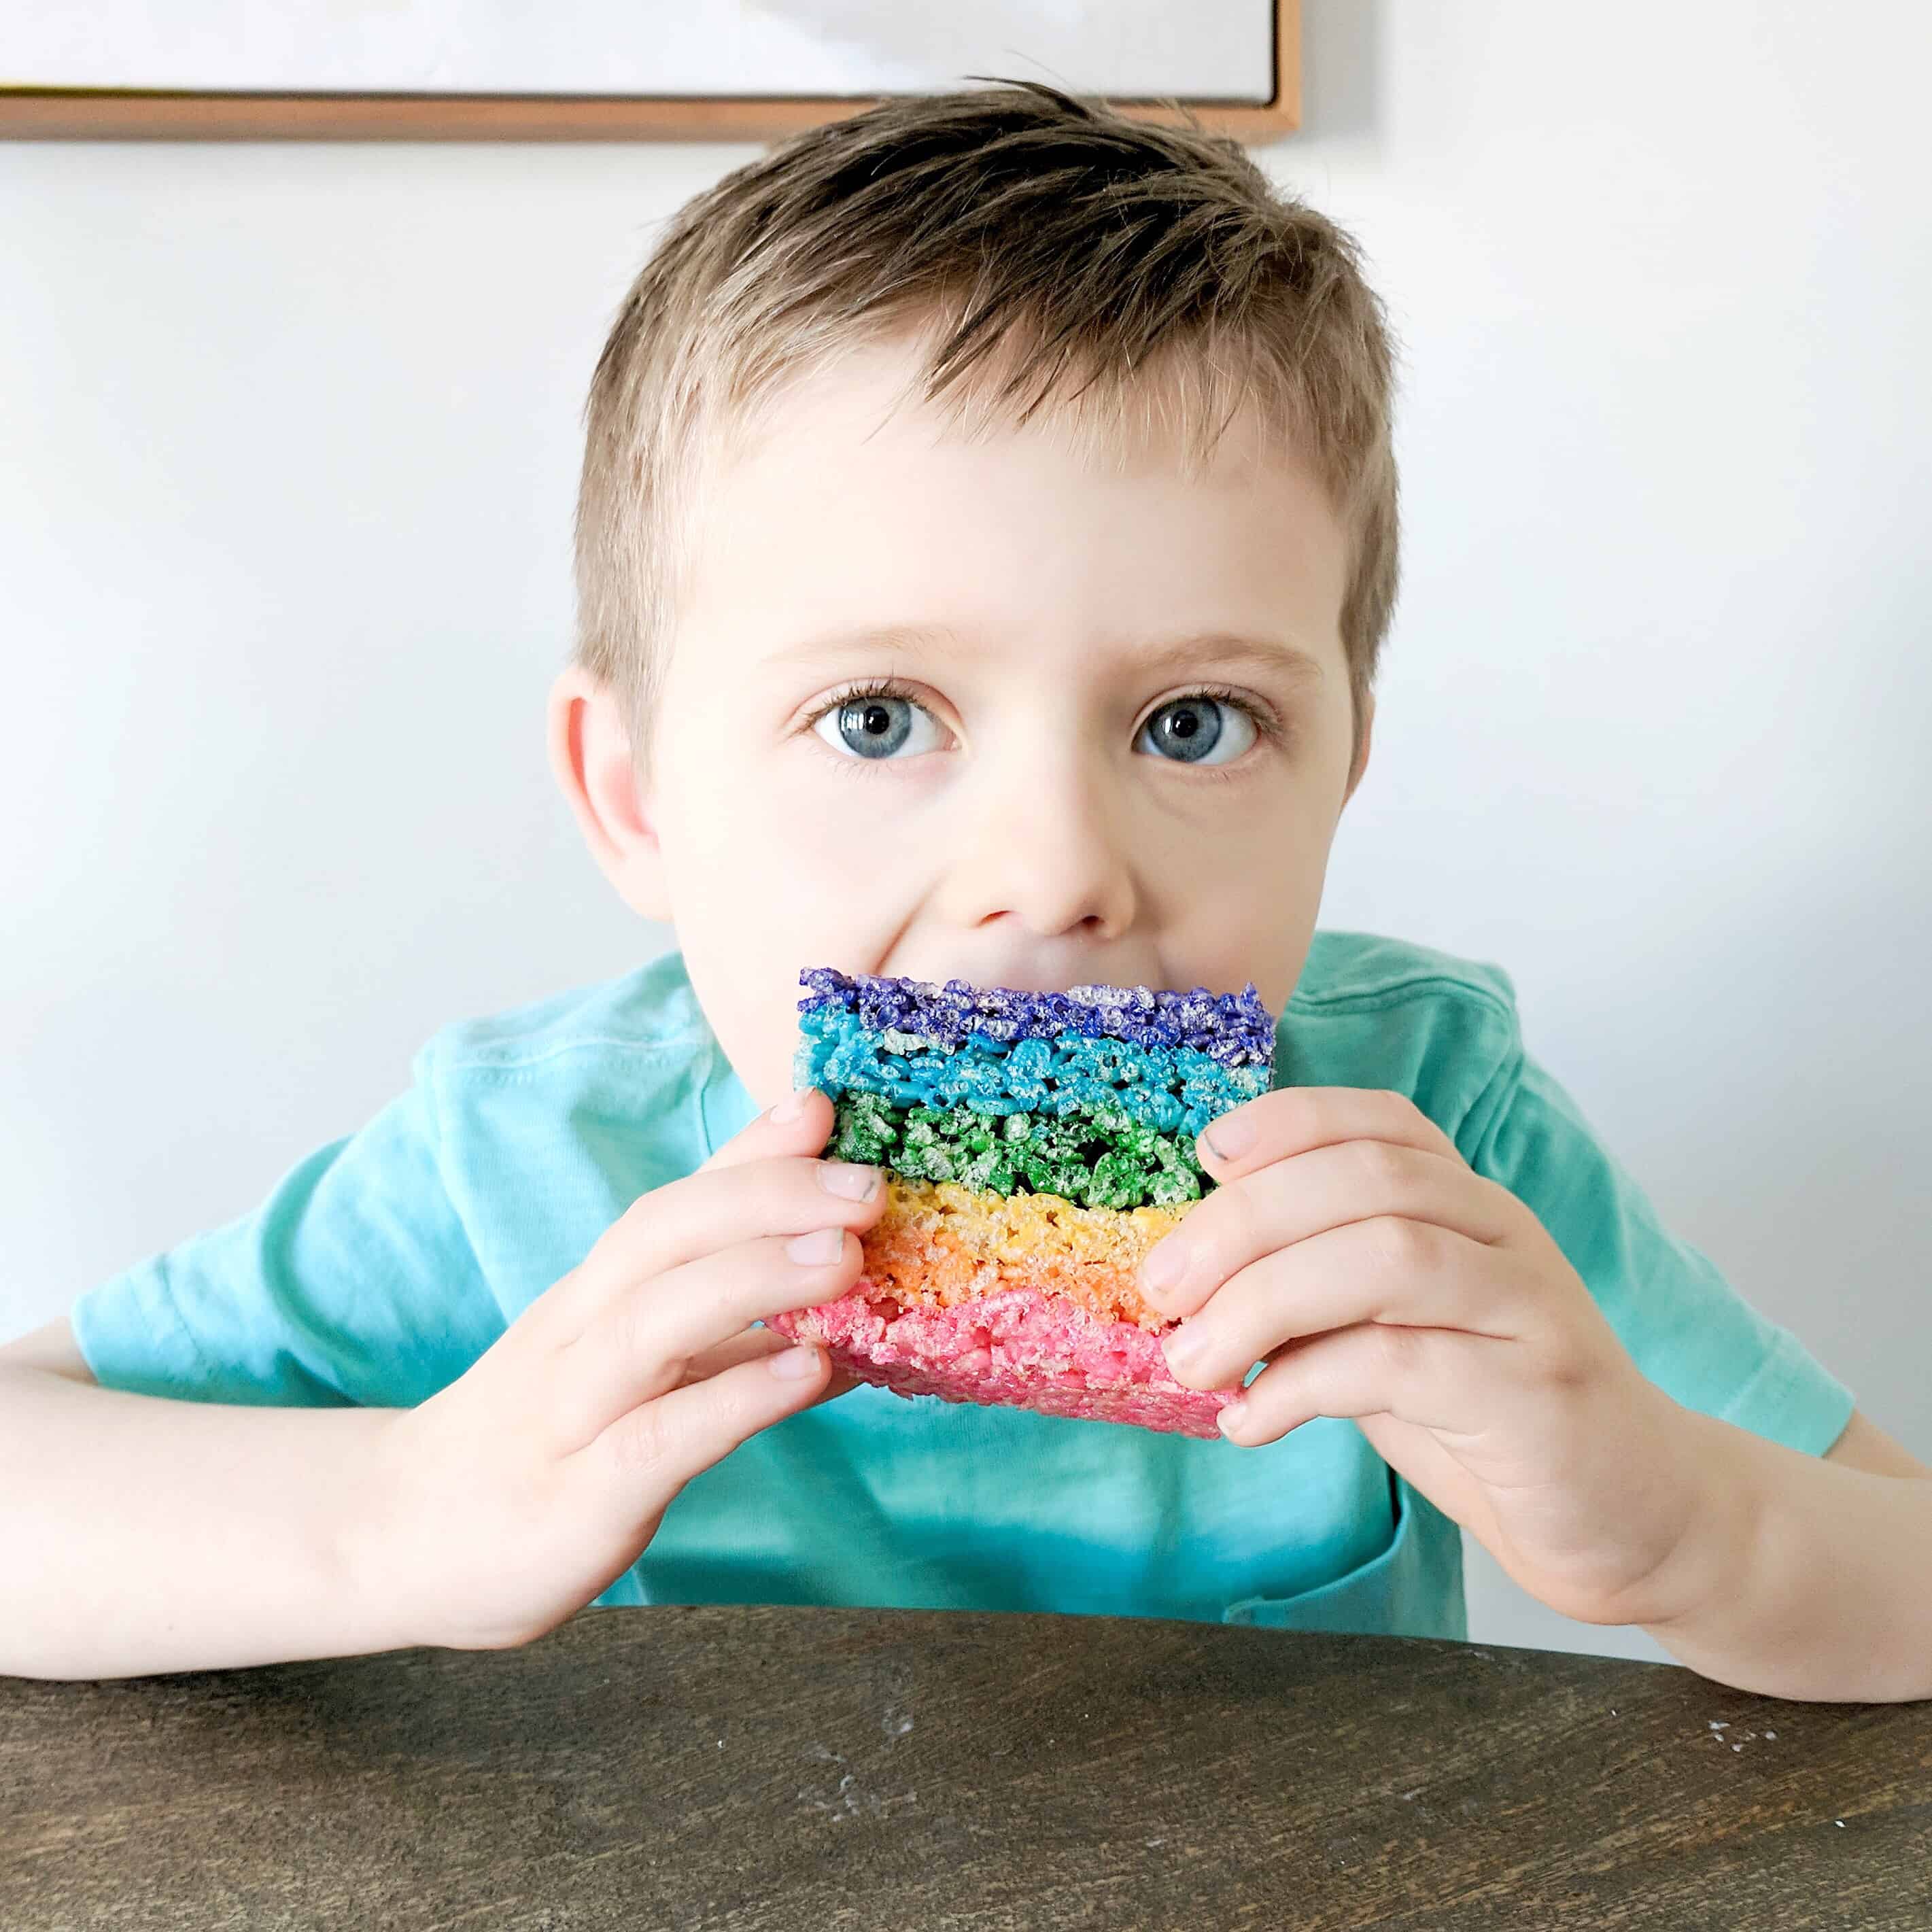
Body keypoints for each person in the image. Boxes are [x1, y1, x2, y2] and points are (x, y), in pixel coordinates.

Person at [3, 80, 1926, 1695]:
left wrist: (1680, 1518)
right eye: (873, 717)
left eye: (1189, 723)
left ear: (1344, 765)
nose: (1055, 875)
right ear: (635, 797)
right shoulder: (519, 1171)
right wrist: (404, 1514)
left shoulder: (1429, 1129)